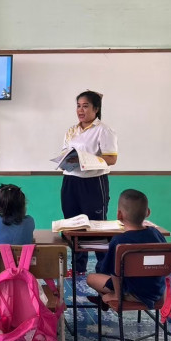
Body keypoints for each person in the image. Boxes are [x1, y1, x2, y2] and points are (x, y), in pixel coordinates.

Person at [60, 90, 118, 275]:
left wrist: (86, 159)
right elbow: (65, 152)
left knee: (96, 227)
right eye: (78, 106)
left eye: (85, 106)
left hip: (93, 183)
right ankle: (78, 268)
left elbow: (111, 159)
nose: (80, 110)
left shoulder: (103, 130)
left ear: (96, 109)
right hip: (70, 181)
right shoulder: (72, 130)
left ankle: (103, 269)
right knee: (73, 225)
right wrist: (67, 160)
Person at [86, 189, 165, 310]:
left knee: (91, 278)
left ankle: (118, 296)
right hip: (158, 292)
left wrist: (116, 296)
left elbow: (115, 274)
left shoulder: (119, 241)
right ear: (148, 212)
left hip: (134, 293)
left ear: (119, 214)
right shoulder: (157, 234)